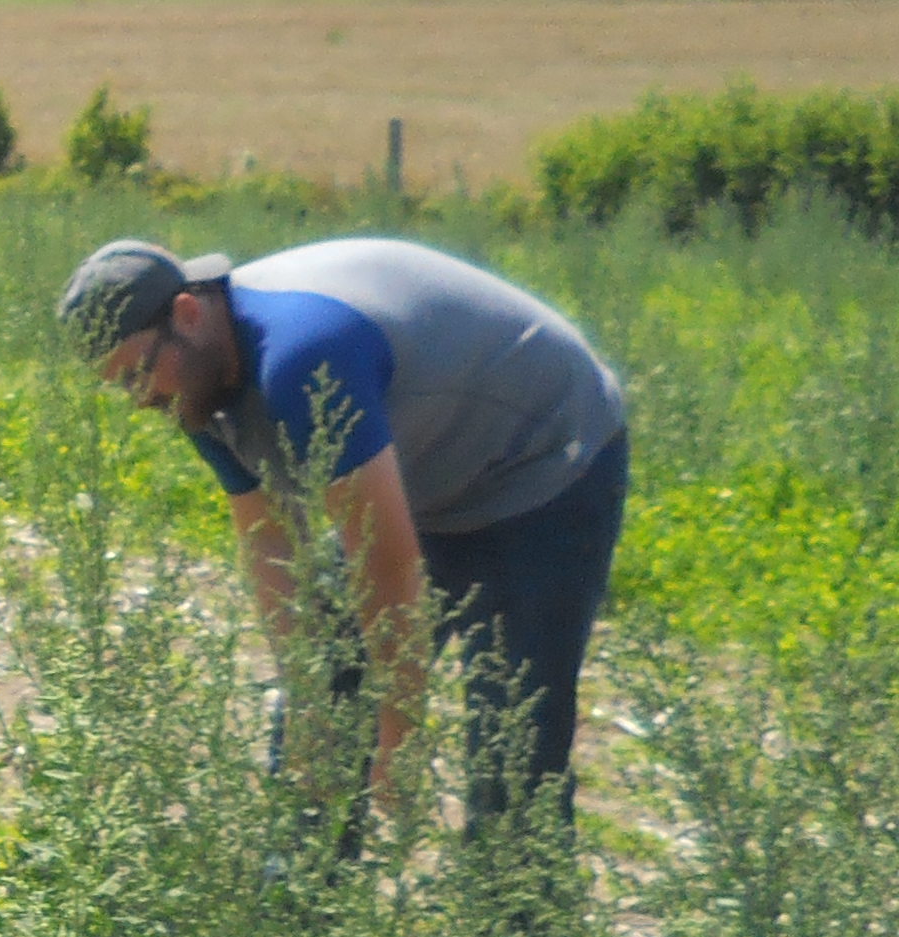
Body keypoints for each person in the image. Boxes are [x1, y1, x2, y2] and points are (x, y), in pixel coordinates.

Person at [60, 231, 629, 834]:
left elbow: (387, 567)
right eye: (119, 386)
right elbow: (271, 543)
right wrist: (305, 699)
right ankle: (302, 913)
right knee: (325, 696)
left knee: (512, 744)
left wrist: (400, 741)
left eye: (138, 374)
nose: (139, 399)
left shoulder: (301, 356)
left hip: (544, 458)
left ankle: (518, 922)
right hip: (424, 471)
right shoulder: (195, 379)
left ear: (187, 312)